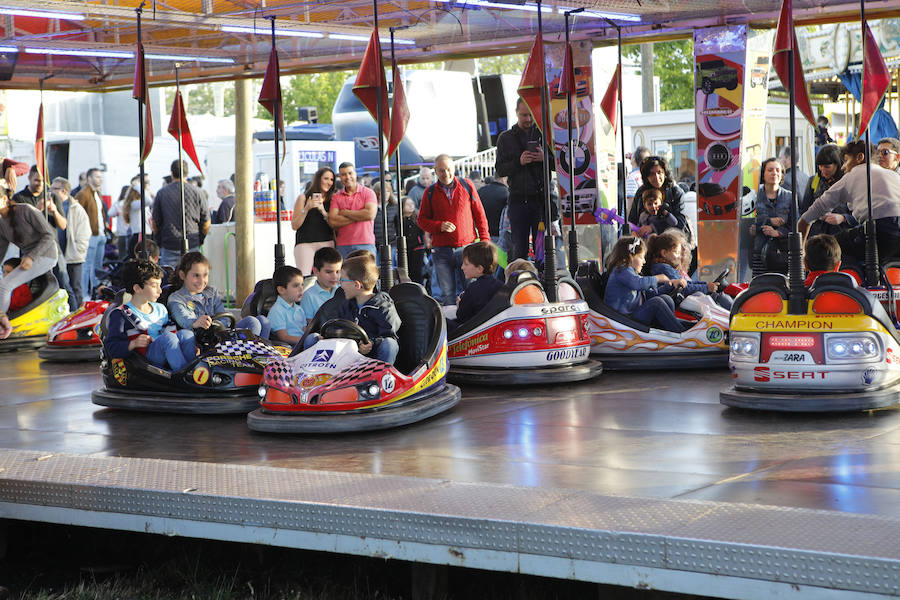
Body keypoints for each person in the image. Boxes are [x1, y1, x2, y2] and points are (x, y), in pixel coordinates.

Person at [799, 140, 900, 270]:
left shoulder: (853, 174)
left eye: (846, 160)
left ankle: (844, 285)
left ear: (860, 158)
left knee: (826, 249)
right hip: (889, 234)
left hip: (881, 231)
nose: (843, 167)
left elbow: (811, 213)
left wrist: (801, 252)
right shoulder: (893, 175)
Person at [417, 154, 491, 306]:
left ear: (454, 168)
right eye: (442, 170)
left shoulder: (467, 185)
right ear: (435, 171)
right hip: (442, 251)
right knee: (448, 294)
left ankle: (474, 324)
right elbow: (421, 221)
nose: (446, 174)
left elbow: (480, 214)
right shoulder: (429, 192)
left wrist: (484, 240)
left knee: (472, 290)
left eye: (449, 169)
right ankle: (453, 327)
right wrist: (439, 226)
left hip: (467, 249)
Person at [305, 254, 400, 364]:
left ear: (356, 285)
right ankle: (311, 376)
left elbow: (390, 335)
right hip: (345, 357)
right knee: (312, 338)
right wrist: (326, 336)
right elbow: (334, 325)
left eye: (342, 280)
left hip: (371, 359)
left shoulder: (384, 308)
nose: (340, 285)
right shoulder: (346, 304)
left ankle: (382, 378)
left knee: (390, 344)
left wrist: (372, 344)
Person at [103, 259, 196, 372]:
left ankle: (194, 370)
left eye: (160, 285)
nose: (160, 291)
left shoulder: (160, 309)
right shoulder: (121, 315)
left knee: (187, 334)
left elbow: (173, 334)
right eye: (154, 286)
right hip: (144, 360)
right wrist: (133, 343)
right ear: (137, 288)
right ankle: (185, 375)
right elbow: (111, 348)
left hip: (166, 352)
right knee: (168, 339)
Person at [495, 98, 553, 262]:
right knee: (518, 246)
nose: (527, 119)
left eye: (530, 115)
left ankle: (543, 280)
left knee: (542, 247)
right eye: (523, 115)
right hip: (518, 200)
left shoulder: (545, 135)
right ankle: (519, 280)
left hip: (540, 200)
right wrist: (518, 162)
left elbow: (561, 164)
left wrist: (545, 158)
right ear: (516, 113)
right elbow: (499, 169)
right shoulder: (505, 138)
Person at [0, 181, 59, 338]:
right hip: (29, 258)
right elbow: (1, 251)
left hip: (46, 255)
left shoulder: (25, 210)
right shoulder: (2, 223)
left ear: (5, 199)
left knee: (5, 286)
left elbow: (49, 235)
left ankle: (4, 326)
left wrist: (31, 257)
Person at [167, 251, 269, 338]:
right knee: (252, 322)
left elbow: (223, 316)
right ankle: (251, 355)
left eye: (205, 275)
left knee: (260, 321)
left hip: (221, 334)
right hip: (201, 339)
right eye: (196, 276)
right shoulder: (176, 299)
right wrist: (195, 322)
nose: (201, 281)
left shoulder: (211, 293)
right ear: (182, 275)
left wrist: (222, 327)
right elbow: (183, 318)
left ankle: (261, 355)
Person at [603, 236, 684, 332]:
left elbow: (647, 294)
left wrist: (668, 286)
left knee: (666, 298)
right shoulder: (621, 270)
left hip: (630, 315)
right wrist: (658, 278)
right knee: (657, 303)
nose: (644, 261)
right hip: (622, 319)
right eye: (641, 257)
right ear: (630, 256)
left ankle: (672, 331)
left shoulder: (631, 273)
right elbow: (638, 284)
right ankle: (680, 333)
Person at [648, 231, 732, 309]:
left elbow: (687, 283)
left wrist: (706, 284)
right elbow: (684, 287)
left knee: (714, 295)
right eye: (676, 252)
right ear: (664, 253)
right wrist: (706, 287)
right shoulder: (663, 268)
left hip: (681, 299)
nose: (679, 256)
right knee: (717, 296)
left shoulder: (666, 267)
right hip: (678, 303)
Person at [152, 159, 210, 268]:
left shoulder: (161, 193)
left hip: (169, 244)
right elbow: (206, 222)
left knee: (169, 280)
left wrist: (159, 239)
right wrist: (200, 238)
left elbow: (155, 222)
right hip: (192, 243)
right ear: (187, 173)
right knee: (193, 279)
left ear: (172, 173)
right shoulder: (198, 192)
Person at [800, 144, 854, 238]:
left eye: (827, 166)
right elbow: (804, 209)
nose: (823, 170)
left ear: (838, 164)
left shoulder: (848, 181)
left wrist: (843, 218)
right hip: (816, 236)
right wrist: (817, 214)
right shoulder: (814, 181)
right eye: (820, 166)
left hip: (842, 236)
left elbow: (861, 215)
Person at [628, 155, 689, 237]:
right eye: (651, 174)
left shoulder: (675, 192)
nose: (656, 177)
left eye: (659, 172)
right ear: (646, 177)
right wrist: (633, 232)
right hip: (646, 245)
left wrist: (653, 228)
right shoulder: (641, 192)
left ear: (665, 173)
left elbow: (680, 223)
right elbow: (632, 219)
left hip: (670, 243)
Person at [51, 179, 90, 308]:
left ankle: (78, 315)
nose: (50, 191)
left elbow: (84, 232)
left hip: (73, 255)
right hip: (58, 254)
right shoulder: (53, 206)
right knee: (62, 288)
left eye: (54, 189)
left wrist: (78, 250)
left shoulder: (75, 208)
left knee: (75, 287)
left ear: (63, 191)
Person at [291, 166, 336, 273]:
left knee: (328, 276)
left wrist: (323, 212)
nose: (329, 182)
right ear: (318, 179)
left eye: (331, 179)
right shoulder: (303, 198)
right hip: (305, 243)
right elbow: (294, 225)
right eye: (326, 178)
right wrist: (307, 208)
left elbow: (334, 225)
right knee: (305, 277)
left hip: (327, 242)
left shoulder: (333, 199)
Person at [329, 163, 377, 259]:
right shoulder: (336, 197)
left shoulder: (368, 193)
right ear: (340, 177)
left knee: (367, 274)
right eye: (343, 174)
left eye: (350, 173)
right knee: (344, 274)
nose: (347, 177)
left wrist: (346, 213)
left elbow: (370, 214)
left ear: (355, 174)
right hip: (343, 245)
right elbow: (333, 221)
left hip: (365, 243)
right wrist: (360, 215)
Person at [753, 157, 792, 274]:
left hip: (780, 254)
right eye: (770, 170)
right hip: (757, 252)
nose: (774, 173)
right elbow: (747, 223)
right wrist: (768, 221)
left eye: (777, 170)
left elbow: (795, 225)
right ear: (763, 174)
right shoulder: (754, 195)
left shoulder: (789, 197)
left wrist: (778, 233)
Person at [76, 167, 108, 298]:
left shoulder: (97, 193)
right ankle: (85, 294)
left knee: (97, 267)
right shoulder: (83, 194)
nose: (100, 179)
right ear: (89, 179)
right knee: (87, 266)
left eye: (101, 177)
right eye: (97, 176)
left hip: (100, 234)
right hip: (90, 236)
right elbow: (77, 214)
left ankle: (96, 292)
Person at [455, 241, 502, 325]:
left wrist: (459, 306)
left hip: (474, 331)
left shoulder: (473, 288)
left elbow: (461, 316)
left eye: (466, 264)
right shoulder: (501, 285)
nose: (462, 267)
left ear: (480, 269)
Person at [299, 246, 342, 324]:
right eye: (329, 272)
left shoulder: (343, 291)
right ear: (316, 271)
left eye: (338, 271)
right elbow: (309, 325)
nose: (335, 276)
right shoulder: (308, 296)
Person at [268, 265, 307, 346]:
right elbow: (283, 337)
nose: (301, 289)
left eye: (302, 285)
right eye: (296, 286)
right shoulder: (277, 310)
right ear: (281, 290)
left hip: (301, 344)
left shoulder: (299, 309)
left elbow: (304, 330)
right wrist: (304, 340)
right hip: (289, 348)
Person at [398, 197, 426, 285]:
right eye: (407, 204)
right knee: (406, 271)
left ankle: (419, 289)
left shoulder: (418, 218)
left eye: (412, 204)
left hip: (418, 247)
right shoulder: (399, 219)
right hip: (405, 249)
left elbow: (423, 233)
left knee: (417, 272)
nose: (411, 206)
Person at [372, 180, 399, 267]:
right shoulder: (371, 206)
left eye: (388, 191)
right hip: (375, 243)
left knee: (390, 268)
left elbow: (398, 226)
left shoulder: (394, 207)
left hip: (391, 242)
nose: (386, 194)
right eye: (383, 191)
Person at [477, 176, 509, 246]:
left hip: (481, 236)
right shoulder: (507, 193)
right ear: (503, 179)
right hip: (499, 237)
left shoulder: (480, 191)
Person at [625, 146, 650, 213]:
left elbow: (630, 205)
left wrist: (628, 222)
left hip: (635, 220)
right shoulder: (649, 175)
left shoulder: (632, 177)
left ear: (634, 160)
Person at [107, 185, 130, 258]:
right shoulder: (131, 203)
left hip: (121, 233)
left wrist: (118, 212)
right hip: (131, 233)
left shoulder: (118, 203)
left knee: (122, 255)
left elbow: (110, 213)